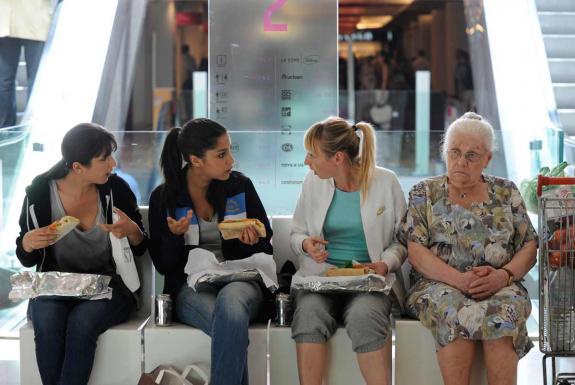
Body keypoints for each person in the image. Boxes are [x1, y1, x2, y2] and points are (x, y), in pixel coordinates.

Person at [399, 112, 537, 385]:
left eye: (472, 155)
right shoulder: (423, 193)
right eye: (454, 152)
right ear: (444, 152)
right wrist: (460, 281)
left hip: (500, 282)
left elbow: (529, 245)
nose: (461, 161)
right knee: (455, 313)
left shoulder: (506, 192)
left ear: (487, 158)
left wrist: (503, 276)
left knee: (503, 315)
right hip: (437, 284)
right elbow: (416, 252)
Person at [15, 123, 147, 385]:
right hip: (55, 286)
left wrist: (132, 230)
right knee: (49, 325)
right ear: (77, 167)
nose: (113, 163)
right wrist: (28, 242)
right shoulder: (39, 194)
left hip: (111, 286)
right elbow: (26, 257)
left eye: (112, 154)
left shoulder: (115, 189)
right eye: (104, 158)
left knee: (82, 325)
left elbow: (141, 245)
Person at [148, 118, 273, 385]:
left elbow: (266, 241)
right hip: (191, 286)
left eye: (229, 150)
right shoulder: (164, 197)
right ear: (196, 160)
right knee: (231, 323)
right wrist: (174, 237)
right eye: (221, 154)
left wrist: (249, 241)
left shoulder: (240, 186)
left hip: (240, 278)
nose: (231, 160)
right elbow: (164, 265)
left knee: (230, 307)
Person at [290, 116, 406, 385]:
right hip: (320, 280)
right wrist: (307, 245)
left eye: (312, 155)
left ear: (338, 158)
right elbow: (296, 233)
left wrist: (385, 263)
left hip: (370, 282)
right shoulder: (312, 183)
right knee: (308, 314)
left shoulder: (386, 183)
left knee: (364, 316)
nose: (307, 162)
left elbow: (403, 241)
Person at [0, 0, 54, 127]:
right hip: (6, 21)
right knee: (3, 82)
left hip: (35, 19)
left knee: (36, 81)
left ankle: (33, 126)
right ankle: (6, 130)